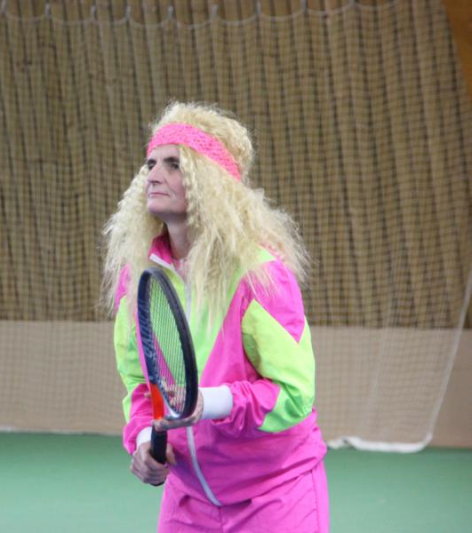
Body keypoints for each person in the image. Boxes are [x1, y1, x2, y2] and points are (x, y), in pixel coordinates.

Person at [103, 102, 329, 532]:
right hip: (188, 497)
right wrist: (147, 439)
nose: (153, 175)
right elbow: (141, 382)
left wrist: (209, 402)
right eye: (151, 163)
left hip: (275, 493)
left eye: (173, 164)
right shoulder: (139, 278)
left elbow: (294, 393)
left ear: (208, 182)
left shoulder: (260, 275)